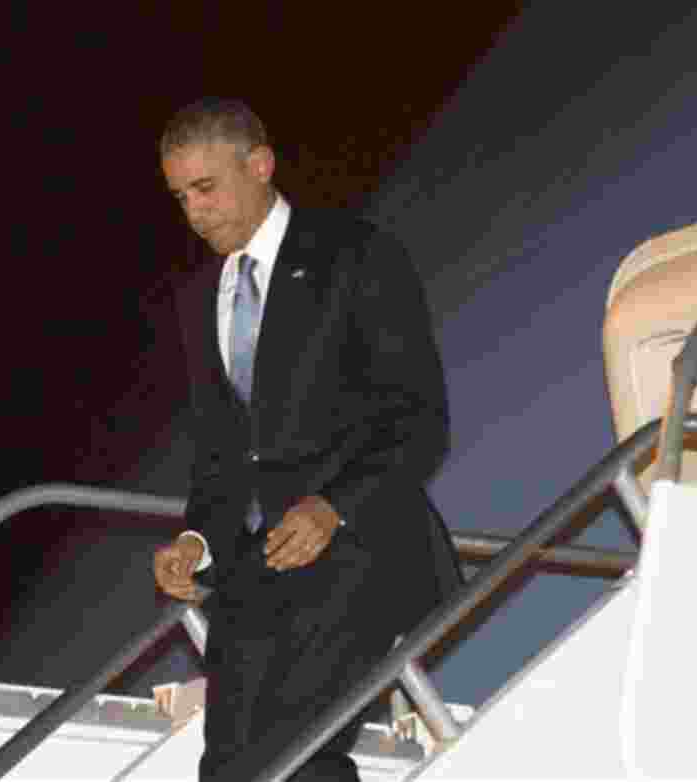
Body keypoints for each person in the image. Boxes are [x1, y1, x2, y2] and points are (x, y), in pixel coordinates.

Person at [152, 98, 462, 782]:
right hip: (250, 579)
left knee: (296, 758)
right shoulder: (199, 294)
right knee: (229, 769)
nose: (194, 212)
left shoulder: (355, 254)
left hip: (358, 555)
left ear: (260, 165)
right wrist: (196, 542)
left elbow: (419, 420)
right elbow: (221, 456)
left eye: (206, 188)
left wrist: (332, 506)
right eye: (180, 196)